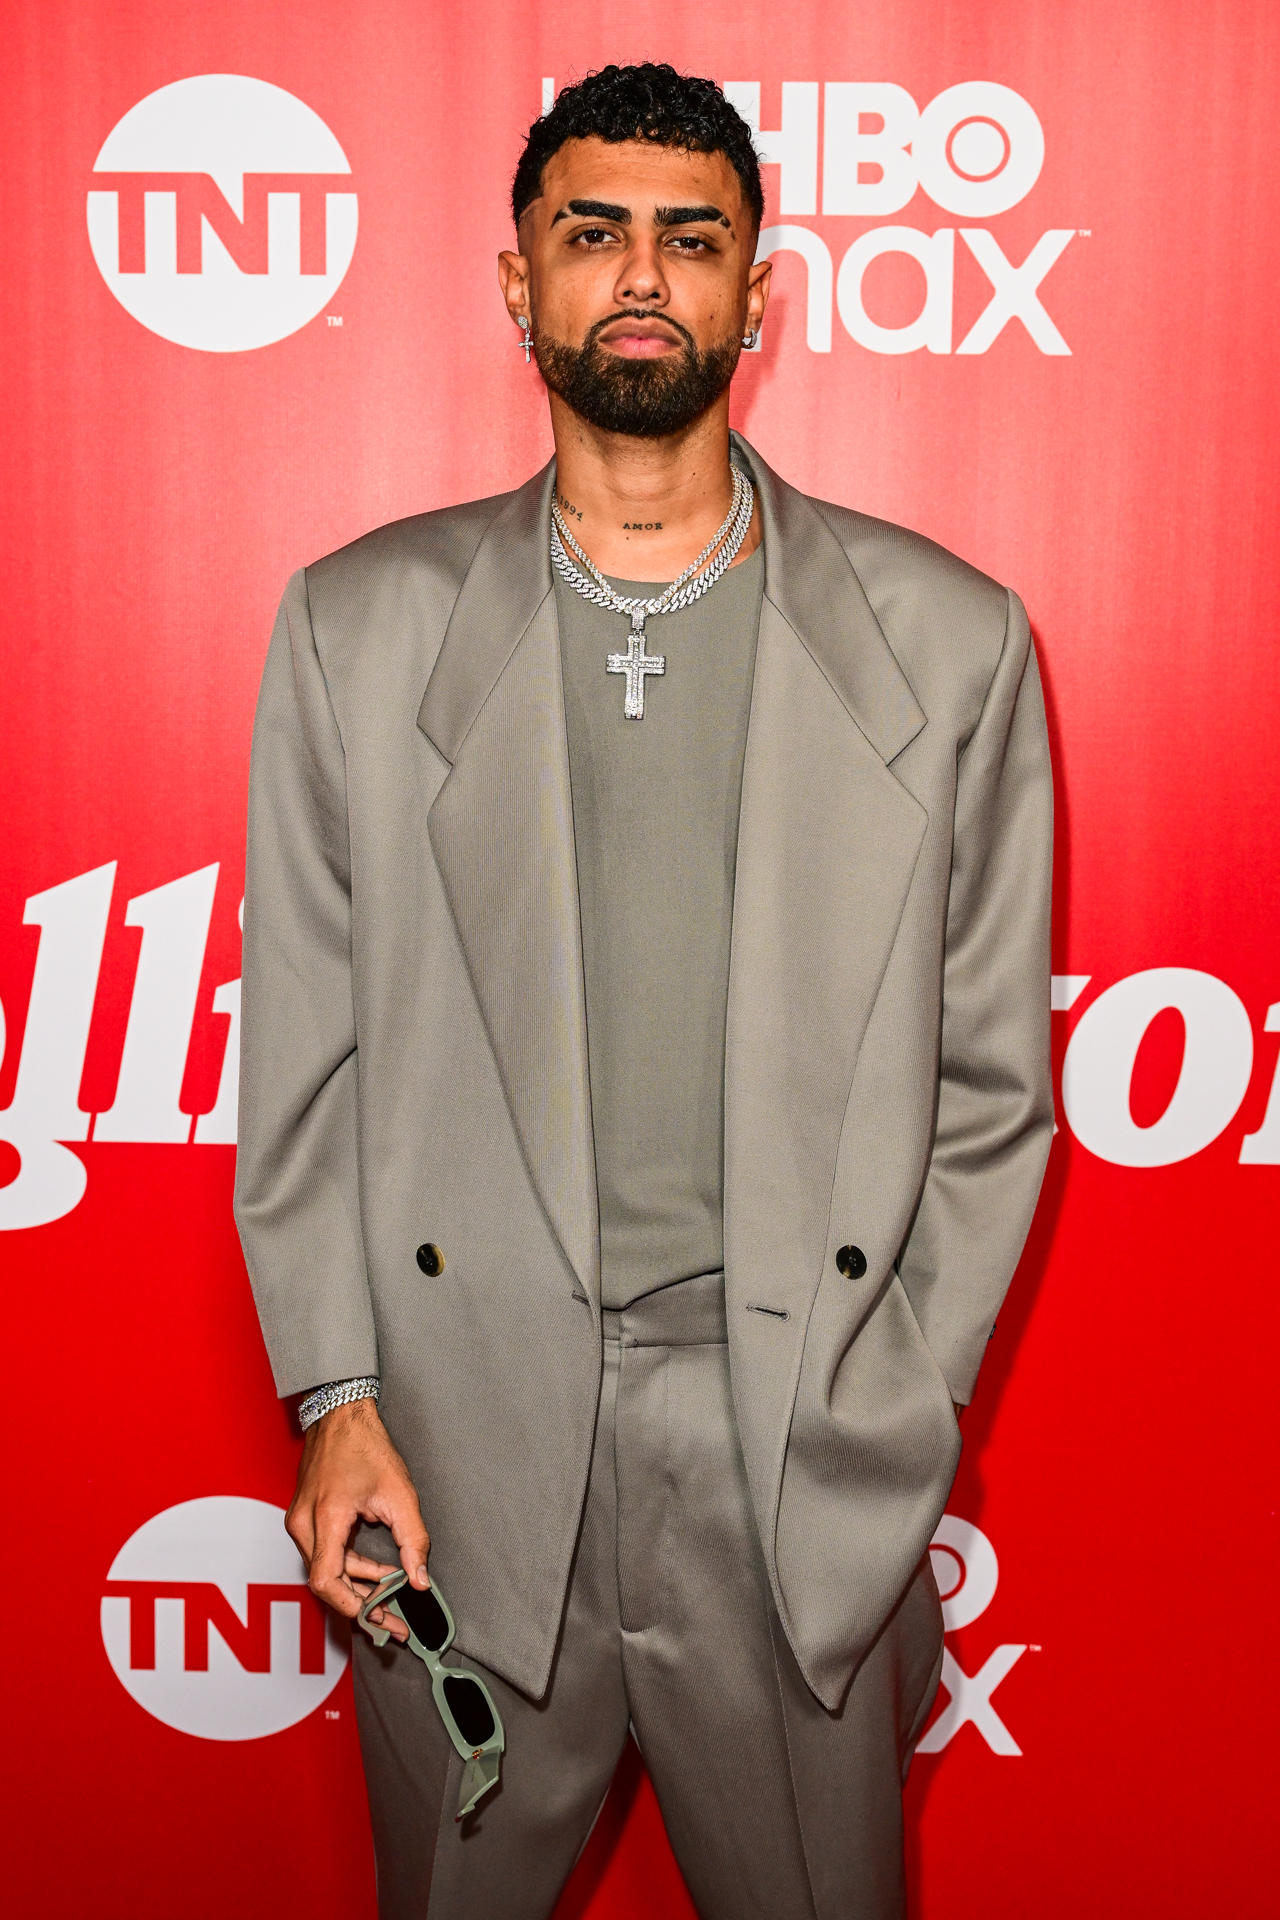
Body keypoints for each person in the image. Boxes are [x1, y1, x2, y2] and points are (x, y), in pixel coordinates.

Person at [233, 60, 1055, 1920]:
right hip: (458, 1441)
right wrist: (338, 1393)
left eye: (694, 240)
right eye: (590, 231)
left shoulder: (949, 639)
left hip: (787, 1441)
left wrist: (889, 1404)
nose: (640, 275)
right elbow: (303, 1069)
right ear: (513, 279)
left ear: (762, 293)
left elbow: (999, 1086)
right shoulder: (356, 631)